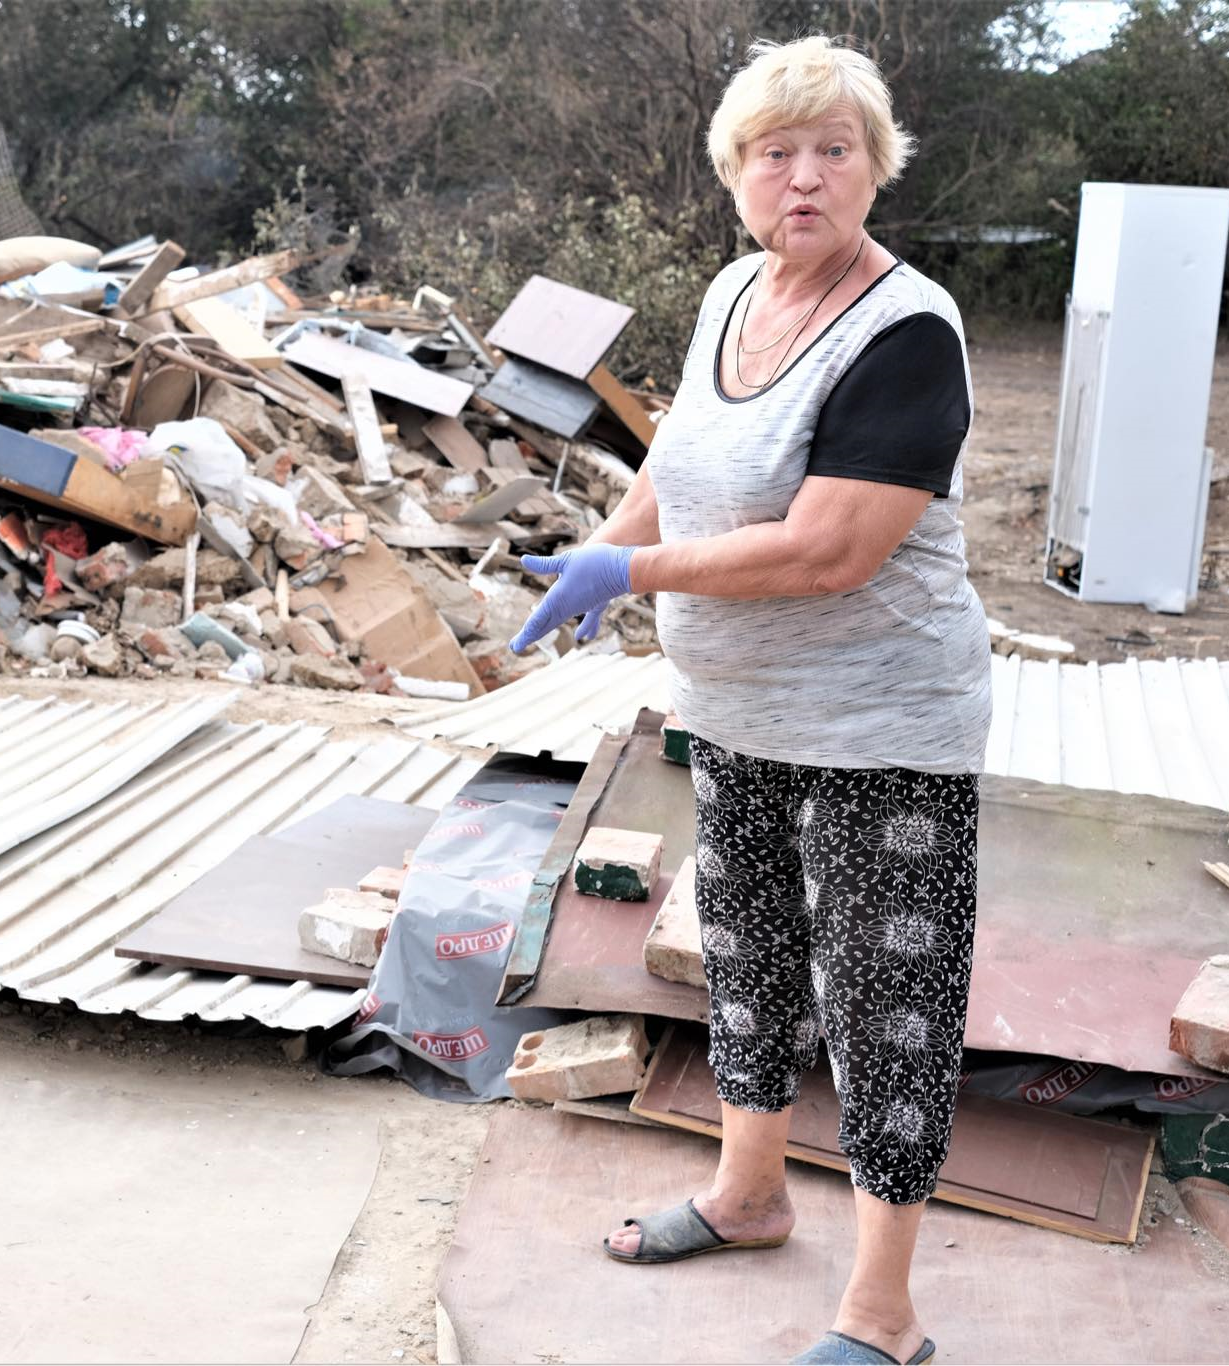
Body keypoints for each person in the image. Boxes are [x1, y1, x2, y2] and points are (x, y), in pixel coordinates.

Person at [508, 34, 990, 1366]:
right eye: (776, 151)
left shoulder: (906, 334)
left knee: (888, 999)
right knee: (753, 961)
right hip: (735, 712)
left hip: (882, 729)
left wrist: (636, 566)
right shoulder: (732, 292)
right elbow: (677, 454)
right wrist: (597, 559)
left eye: (835, 149)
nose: (805, 176)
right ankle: (750, 1192)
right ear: (733, 175)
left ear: (875, 171)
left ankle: (883, 1315)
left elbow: (832, 547)